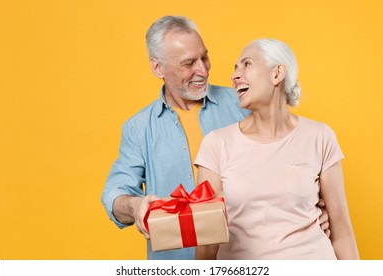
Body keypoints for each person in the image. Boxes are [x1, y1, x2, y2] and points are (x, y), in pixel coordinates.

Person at [101, 16, 330, 260]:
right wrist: (135, 207)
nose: (202, 69)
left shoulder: (245, 102)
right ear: (158, 67)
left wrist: (310, 214)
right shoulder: (139, 128)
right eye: (189, 63)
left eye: (204, 57)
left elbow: (295, 160)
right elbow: (115, 193)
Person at [194, 38, 359, 259]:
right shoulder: (216, 144)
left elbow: (342, 233)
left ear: (277, 73)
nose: (234, 75)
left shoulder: (320, 136)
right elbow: (207, 243)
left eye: (247, 64)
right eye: (235, 68)